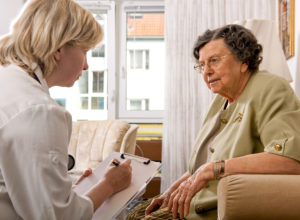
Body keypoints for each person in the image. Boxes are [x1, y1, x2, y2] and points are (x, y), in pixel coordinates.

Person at [126, 24, 300, 220]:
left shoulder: (271, 88)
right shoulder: (221, 99)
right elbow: (201, 167)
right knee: (135, 213)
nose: (206, 71)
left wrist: (216, 168)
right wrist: (171, 191)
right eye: (202, 65)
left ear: (244, 61)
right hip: (195, 201)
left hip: (215, 208)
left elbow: (290, 160)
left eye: (214, 61)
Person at [0, 0, 132, 219]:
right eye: (86, 51)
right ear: (59, 48)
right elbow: (58, 216)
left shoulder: (8, 81)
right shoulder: (38, 111)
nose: (87, 65)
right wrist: (108, 185)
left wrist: (67, 192)